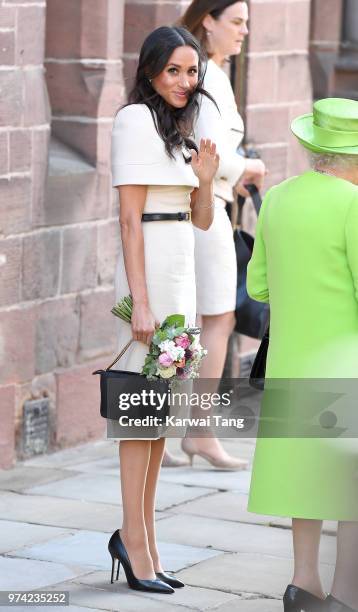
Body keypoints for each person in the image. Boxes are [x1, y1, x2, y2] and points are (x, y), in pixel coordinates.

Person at [109, 26, 219, 594]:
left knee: (157, 421)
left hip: (179, 274)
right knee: (139, 416)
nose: (184, 81)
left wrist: (203, 181)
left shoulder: (180, 129)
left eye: (192, 71)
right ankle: (132, 539)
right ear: (151, 70)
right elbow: (129, 220)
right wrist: (142, 304)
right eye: (173, 70)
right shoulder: (133, 120)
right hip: (150, 276)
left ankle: (145, 540)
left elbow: (200, 219)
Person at [247, 98, 358, 612]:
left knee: (306, 475)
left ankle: (303, 583)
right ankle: (345, 594)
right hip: (345, 362)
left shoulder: (277, 198)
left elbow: (259, 286)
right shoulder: (354, 204)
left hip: (293, 361)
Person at [177, 0, 266, 469]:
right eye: (236, 21)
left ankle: (163, 431)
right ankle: (200, 431)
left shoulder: (209, 71)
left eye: (247, 23)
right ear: (207, 20)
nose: (243, 31)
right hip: (205, 206)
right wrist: (250, 166)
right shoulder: (206, 73)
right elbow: (209, 154)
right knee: (218, 315)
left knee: (192, 316)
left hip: (205, 204)